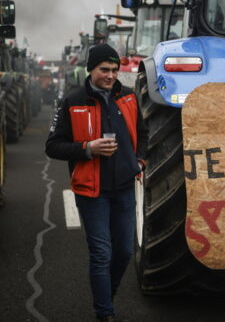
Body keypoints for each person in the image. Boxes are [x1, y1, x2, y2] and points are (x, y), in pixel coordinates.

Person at [45, 44, 148, 322]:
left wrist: (139, 162)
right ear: (91, 69)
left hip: (125, 187)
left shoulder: (128, 98)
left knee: (125, 251)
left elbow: (143, 133)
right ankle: (105, 313)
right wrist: (88, 148)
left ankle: (106, 297)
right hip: (92, 192)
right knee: (101, 253)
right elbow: (53, 146)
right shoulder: (72, 101)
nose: (111, 75)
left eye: (115, 70)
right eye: (104, 69)